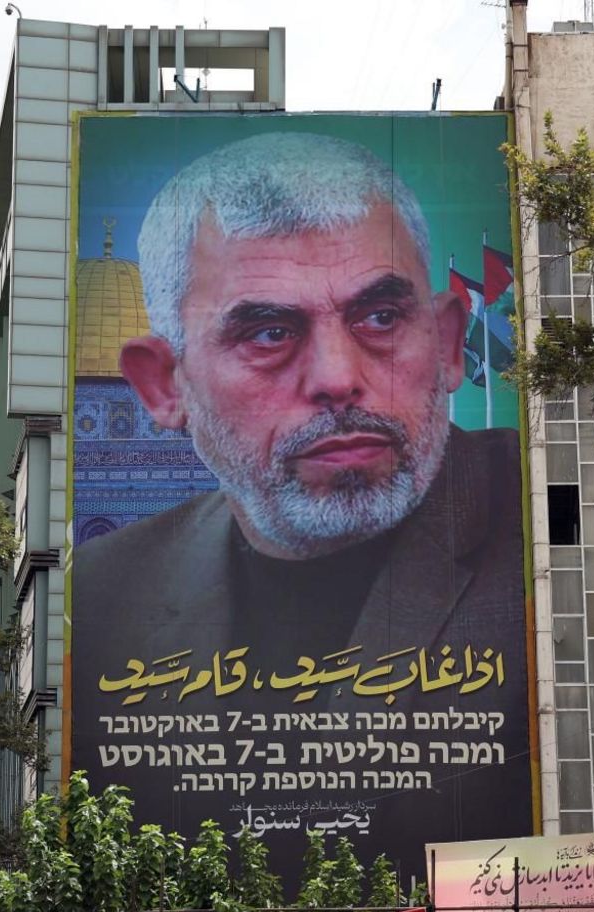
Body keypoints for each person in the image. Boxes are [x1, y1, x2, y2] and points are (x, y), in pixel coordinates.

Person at [75, 130, 525, 685]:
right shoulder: (100, 600)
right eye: (269, 333)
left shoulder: (551, 539)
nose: (337, 379)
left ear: (446, 344)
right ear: (166, 386)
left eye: (380, 318)